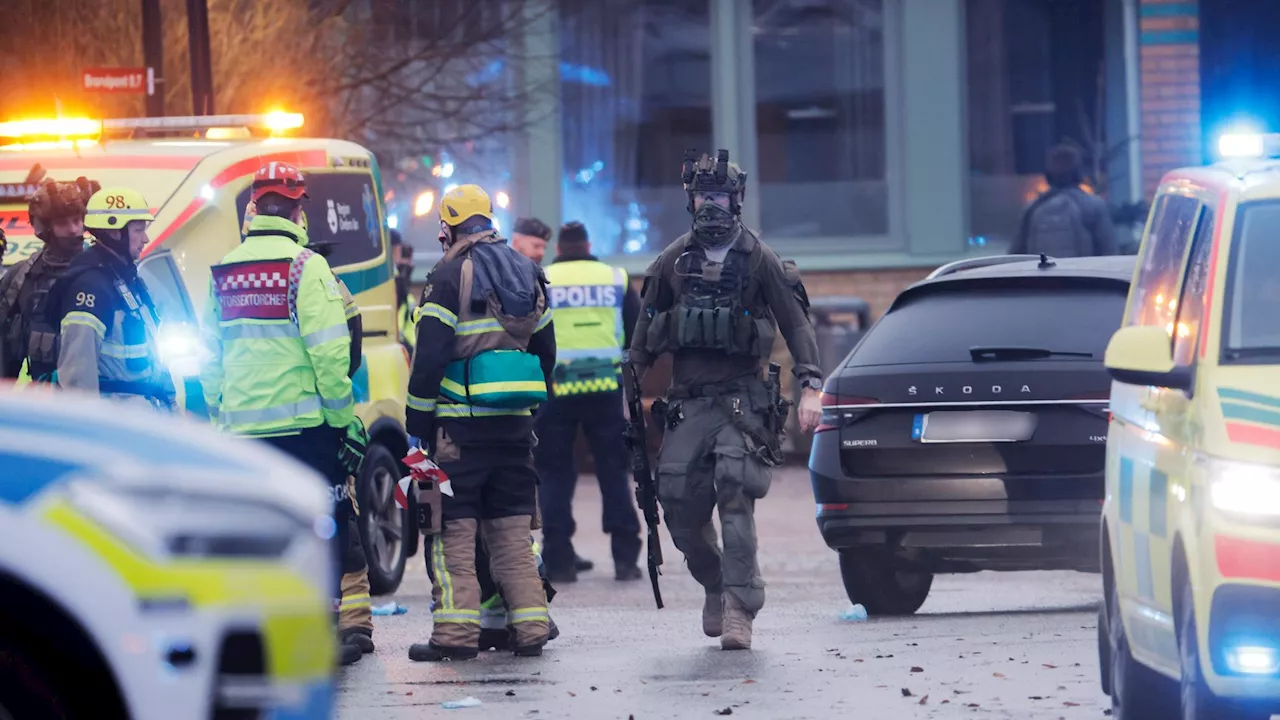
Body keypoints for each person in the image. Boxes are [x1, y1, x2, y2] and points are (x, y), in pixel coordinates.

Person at [629, 149, 823, 651]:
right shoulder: (673, 261)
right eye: (701, 197)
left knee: (734, 493)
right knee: (676, 504)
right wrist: (626, 392)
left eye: (718, 196)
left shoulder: (760, 259)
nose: (709, 206)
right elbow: (644, 337)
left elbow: (797, 325)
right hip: (688, 400)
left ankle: (740, 606)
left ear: (735, 200)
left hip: (742, 398)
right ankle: (715, 583)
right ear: (689, 201)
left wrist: (811, 386)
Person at [200, 162, 360, 665]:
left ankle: (264, 637)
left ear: (253, 209)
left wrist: (219, 416)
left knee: (259, 536)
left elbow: (210, 357)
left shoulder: (224, 269)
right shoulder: (306, 267)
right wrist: (343, 422)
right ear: (296, 209)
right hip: (306, 431)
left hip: (243, 433)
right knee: (321, 530)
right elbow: (330, 355)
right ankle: (320, 637)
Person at [405, 184, 555, 662]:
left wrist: (418, 422)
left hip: (458, 433)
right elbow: (546, 352)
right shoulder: (528, 270)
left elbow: (428, 357)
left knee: (452, 538)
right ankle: (531, 629)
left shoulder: (448, 274)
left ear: (448, 226)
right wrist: (528, 410)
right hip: (513, 429)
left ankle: (454, 637)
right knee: (513, 535)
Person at [533, 220, 643, 583]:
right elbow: (636, 330)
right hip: (604, 387)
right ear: (589, 245)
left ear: (559, 249)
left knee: (555, 474)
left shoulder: (542, 277)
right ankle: (625, 558)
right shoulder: (615, 277)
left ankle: (559, 559)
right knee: (613, 471)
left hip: (556, 390)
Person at [44, 188, 173, 409]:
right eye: (139, 230)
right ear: (115, 232)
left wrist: (171, 407)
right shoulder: (90, 288)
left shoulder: (126, 279)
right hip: (119, 424)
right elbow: (77, 379)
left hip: (146, 418)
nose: (145, 238)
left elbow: (153, 357)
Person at [0, 176, 99, 381]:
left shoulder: (103, 271)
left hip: (99, 396)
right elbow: (5, 349)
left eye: (77, 220)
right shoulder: (20, 278)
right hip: (45, 400)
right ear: (45, 228)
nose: (73, 229)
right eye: (62, 223)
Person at [1011, 144, 1118, 258]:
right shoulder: (1093, 206)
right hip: (1081, 274)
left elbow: (1015, 255)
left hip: (1042, 275)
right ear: (1078, 172)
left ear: (1048, 175)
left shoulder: (1032, 209)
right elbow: (1109, 252)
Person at [390, 229, 417, 351]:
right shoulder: (395, 281)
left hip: (405, 344)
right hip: (403, 345)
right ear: (396, 249)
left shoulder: (395, 278)